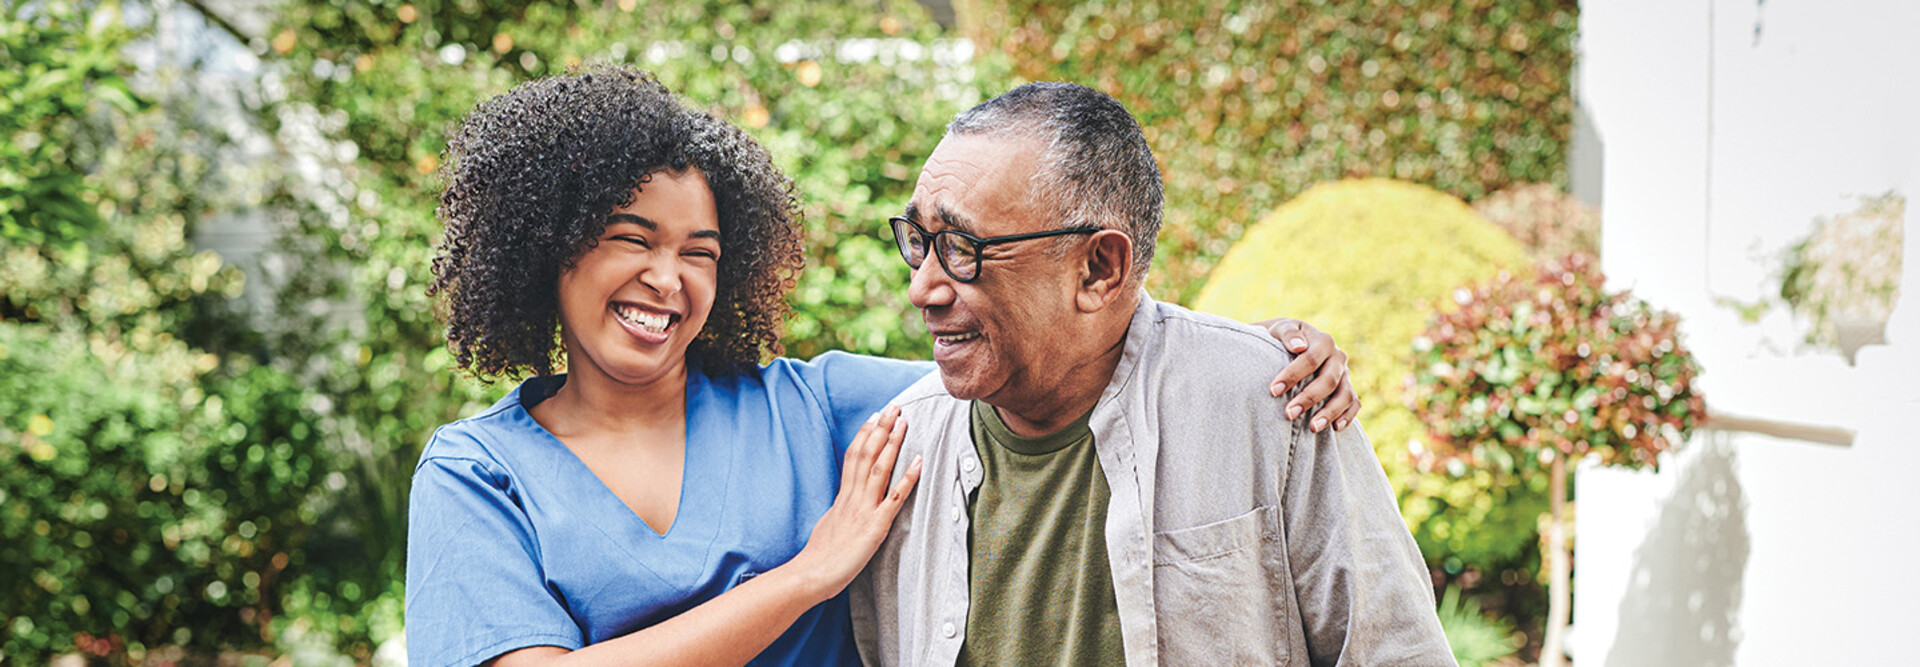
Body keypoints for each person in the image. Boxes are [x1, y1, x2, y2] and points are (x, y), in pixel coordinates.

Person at [405, 68, 1361, 666]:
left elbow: (1042, 350)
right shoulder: (476, 473)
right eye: (631, 239)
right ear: (549, 249)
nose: (668, 277)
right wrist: (806, 575)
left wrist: (1260, 351)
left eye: (700, 249)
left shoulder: (816, 405)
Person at [851, 82, 1454, 666]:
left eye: (961, 247)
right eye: (919, 241)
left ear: (1098, 269)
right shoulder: (900, 451)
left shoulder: (1274, 403)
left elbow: (1395, 651)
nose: (921, 287)